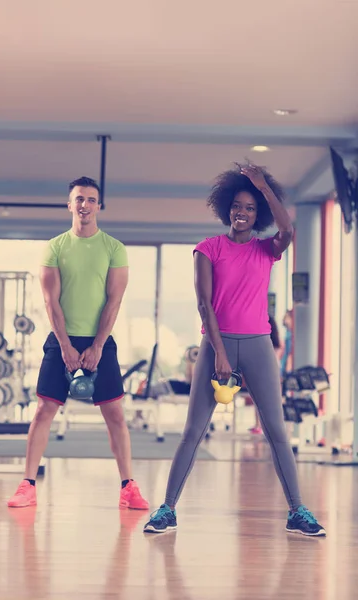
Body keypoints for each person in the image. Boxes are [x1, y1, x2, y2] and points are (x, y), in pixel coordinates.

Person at [143, 163, 325, 536]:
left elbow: (288, 229)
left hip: (259, 346)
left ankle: (297, 511)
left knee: (276, 430)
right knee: (193, 430)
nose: (242, 212)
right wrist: (221, 353)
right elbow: (205, 305)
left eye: (250, 207)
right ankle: (166, 509)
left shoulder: (266, 250)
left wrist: (263, 186)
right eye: (237, 206)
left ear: (258, 214)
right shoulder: (207, 249)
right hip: (215, 345)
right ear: (227, 208)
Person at [7, 176, 149, 511]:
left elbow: (113, 302)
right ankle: (27, 485)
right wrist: (66, 345)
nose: (84, 205)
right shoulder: (55, 247)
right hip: (61, 340)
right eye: (79, 199)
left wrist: (98, 346)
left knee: (115, 413)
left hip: (100, 340)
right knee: (44, 410)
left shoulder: (114, 248)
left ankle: (128, 486)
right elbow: (50, 302)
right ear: (69, 204)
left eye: (91, 199)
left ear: (99, 206)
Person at [249, 315, 283, 434]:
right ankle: (265, 426)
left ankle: (259, 425)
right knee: (269, 401)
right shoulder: (276, 344)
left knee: (259, 400)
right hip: (273, 372)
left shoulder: (262, 342)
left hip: (263, 372)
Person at [280, 309, 293, 376]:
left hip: (287, 364)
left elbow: (289, 353)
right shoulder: (288, 334)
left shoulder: (290, 335)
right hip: (284, 363)